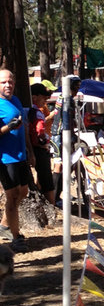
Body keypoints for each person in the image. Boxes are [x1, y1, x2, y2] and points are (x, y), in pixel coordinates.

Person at [0, 69, 34, 253]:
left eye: (10, 82)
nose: (8, 85)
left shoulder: (16, 101)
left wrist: (29, 150)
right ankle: (15, 238)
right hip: (5, 159)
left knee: (24, 191)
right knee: (12, 197)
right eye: (4, 82)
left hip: (20, 155)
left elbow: (25, 128)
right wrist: (7, 127)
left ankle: (5, 223)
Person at [50, 74, 82, 206]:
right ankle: (54, 197)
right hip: (60, 135)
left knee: (67, 165)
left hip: (62, 134)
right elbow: (66, 119)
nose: (77, 90)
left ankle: (57, 196)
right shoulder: (67, 99)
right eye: (76, 87)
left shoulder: (63, 97)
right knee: (60, 166)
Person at [28, 83, 55, 204]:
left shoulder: (25, 110)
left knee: (39, 178)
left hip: (29, 148)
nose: (45, 101)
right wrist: (44, 143)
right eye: (43, 98)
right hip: (39, 148)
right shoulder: (37, 112)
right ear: (34, 97)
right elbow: (39, 131)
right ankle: (51, 204)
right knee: (47, 180)